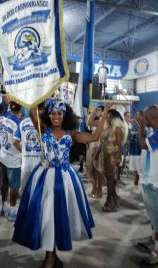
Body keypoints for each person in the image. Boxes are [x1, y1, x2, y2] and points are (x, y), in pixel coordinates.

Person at [13, 99, 110, 268]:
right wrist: (38, 93)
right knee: (46, 216)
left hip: (65, 179)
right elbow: (31, 112)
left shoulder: (71, 133)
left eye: (59, 113)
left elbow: (95, 136)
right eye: (52, 113)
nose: (56, 116)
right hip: (45, 177)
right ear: (48, 115)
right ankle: (50, 256)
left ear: (65, 115)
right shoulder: (43, 129)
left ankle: (52, 257)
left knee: (58, 217)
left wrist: (105, 114)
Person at [135, 105, 158, 267]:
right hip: (150, 181)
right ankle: (153, 242)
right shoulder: (154, 133)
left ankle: (156, 253)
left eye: (147, 118)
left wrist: (142, 126)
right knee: (154, 220)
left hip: (154, 183)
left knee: (157, 221)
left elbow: (143, 144)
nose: (146, 120)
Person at [100, 109, 128, 212]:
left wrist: (118, 158)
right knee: (110, 179)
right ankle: (114, 197)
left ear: (116, 118)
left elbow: (120, 145)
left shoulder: (118, 129)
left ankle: (110, 200)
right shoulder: (109, 128)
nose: (108, 119)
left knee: (110, 180)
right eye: (107, 117)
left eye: (111, 117)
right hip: (106, 156)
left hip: (112, 157)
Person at [13, 103, 44, 191]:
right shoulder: (44, 122)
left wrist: (22, 151)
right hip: (40, 164)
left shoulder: (22, 122)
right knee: (38, 194)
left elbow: (15, 141)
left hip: (26, 163)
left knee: (25, 195)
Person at [0, 101, 22, 219]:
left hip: (3, 155)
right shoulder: (19, 123)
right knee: (14, 187)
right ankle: (12, 211)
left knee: (4, 183)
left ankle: (4, 207)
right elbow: (16, 142)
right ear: (21, 110)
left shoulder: (5, 116)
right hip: (13, 159)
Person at [86, 106, 105, 198]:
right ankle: (95, 188)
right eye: (97, 110)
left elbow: (89, 122)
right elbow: (88, 124)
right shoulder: (99, 119)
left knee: (98, 168)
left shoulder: (102, 121)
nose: (97, 111)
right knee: (91, 168)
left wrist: (92, 112)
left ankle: (99, 190)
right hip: (92, 145)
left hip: (98, 145)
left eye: (99, 110)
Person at [128, 111, 143, 186]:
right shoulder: (132, 126)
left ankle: (139, 181)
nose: (137, 116)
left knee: (139, 167)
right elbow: (129, 136)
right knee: (134, 167)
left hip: (139, 151)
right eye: (136, 115)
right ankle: (135, 179)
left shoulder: (142, 126)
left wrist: (136, 122)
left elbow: (142, 133)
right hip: (132, 150)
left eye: (139, 115)